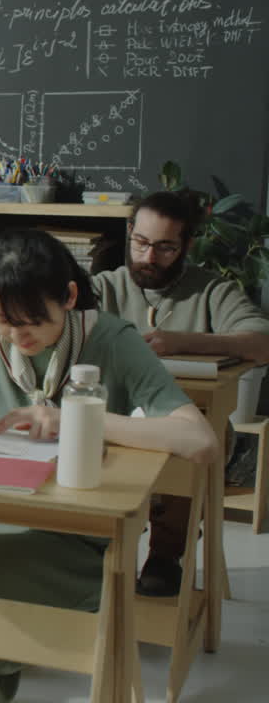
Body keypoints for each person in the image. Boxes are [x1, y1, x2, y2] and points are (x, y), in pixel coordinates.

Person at [0, 228, 218, 703]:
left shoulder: (110, 341)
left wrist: (79, 420)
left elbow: (199, 440)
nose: (15, 334)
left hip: (73, 546)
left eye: (30, 321)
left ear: (69, 296)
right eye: (2, 321)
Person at [93, 190, 269, 596]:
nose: (149, 258)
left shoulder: (211, 290)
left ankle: (164, 556)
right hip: (116, 423)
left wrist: (185, 342)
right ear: (129, 233)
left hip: (188, 424)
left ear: (188, 245)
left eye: (165, 247)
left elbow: (261, 343)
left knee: (189, 441)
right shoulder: (103, 287)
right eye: (140, 243)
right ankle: (88, 552)